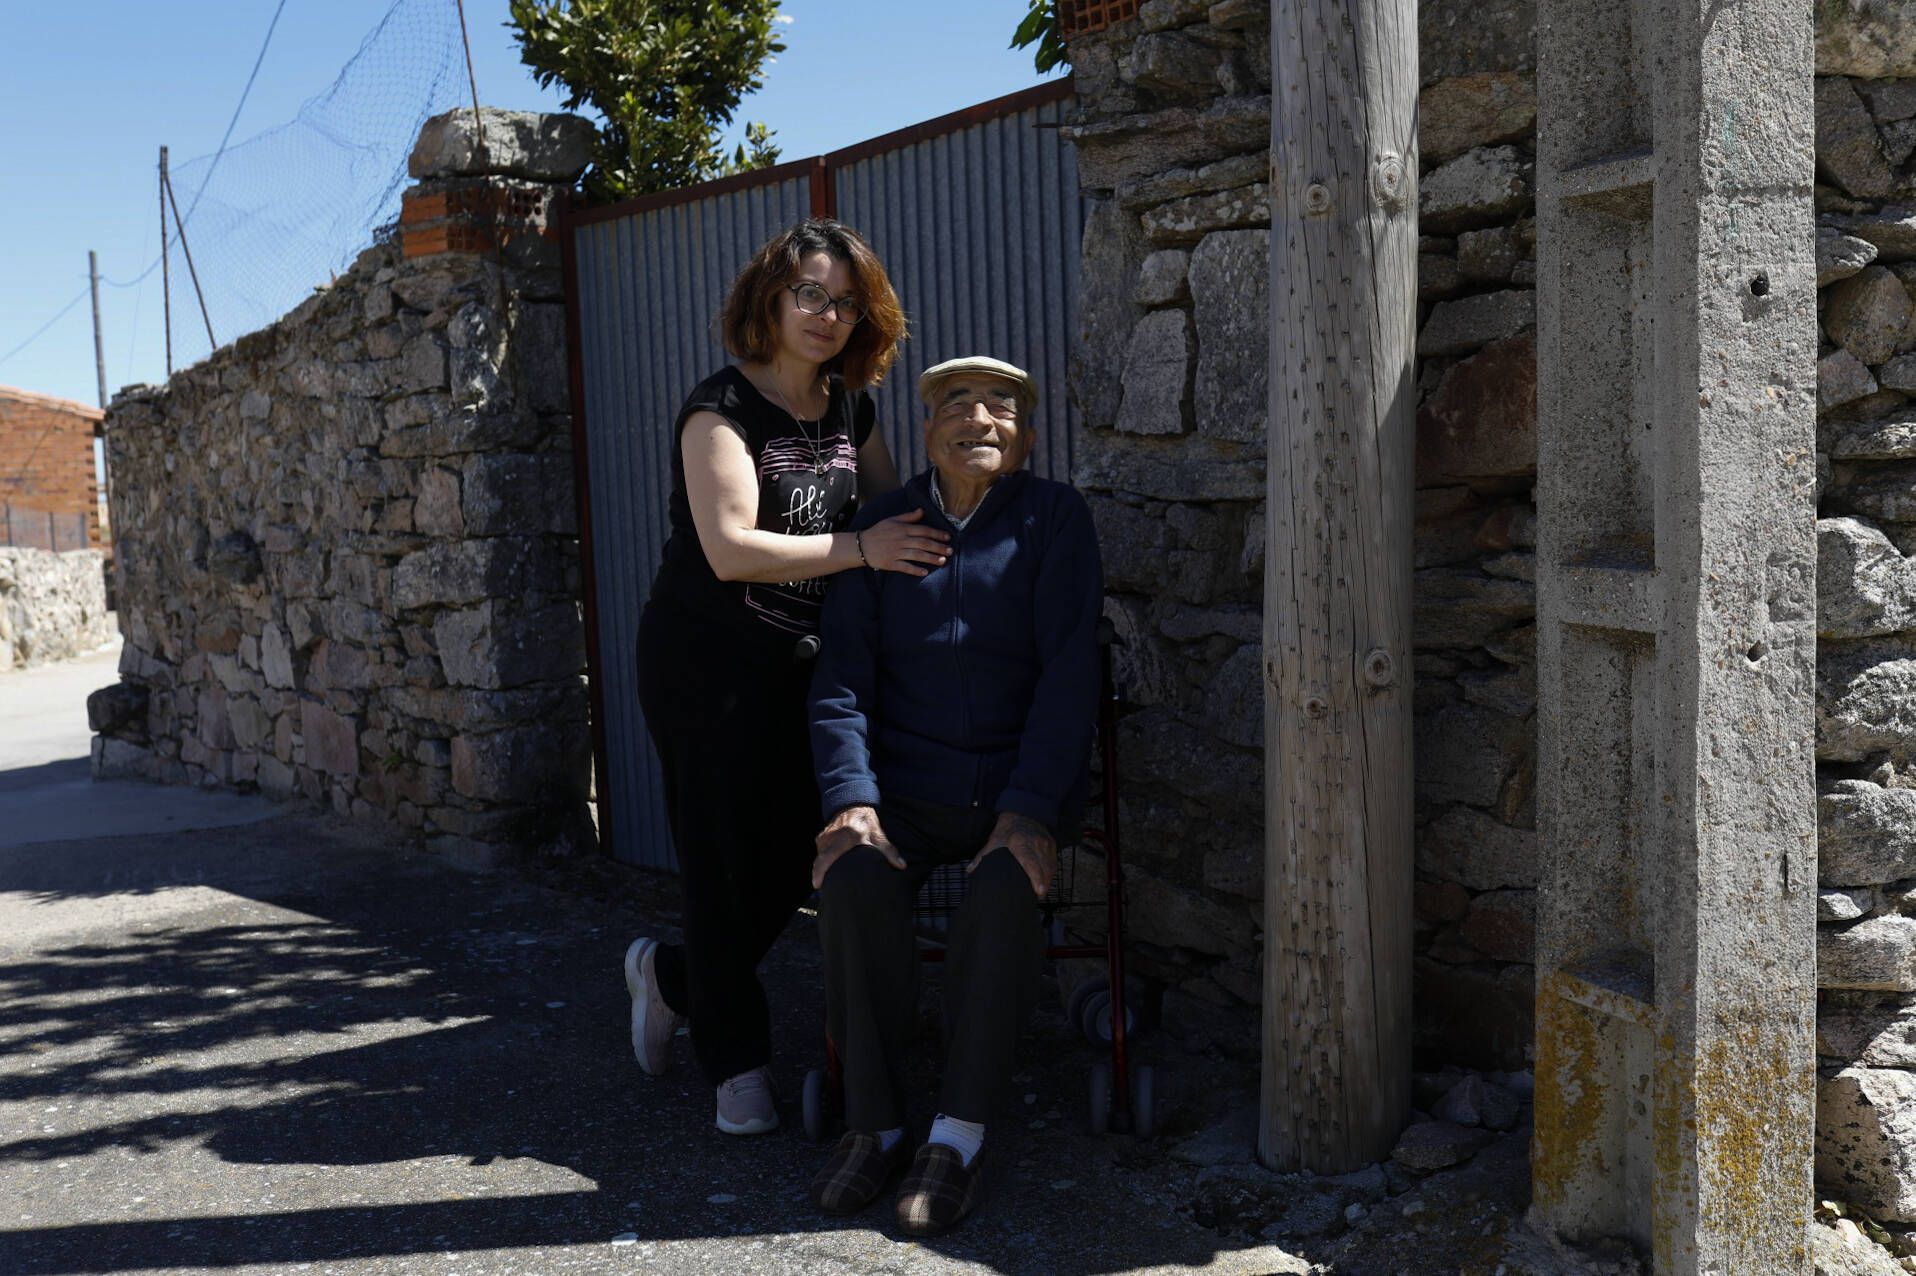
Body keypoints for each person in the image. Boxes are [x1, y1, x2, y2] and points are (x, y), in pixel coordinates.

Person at [622, 219, 951, 1137]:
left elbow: (897, 517)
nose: (829, 315)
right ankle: (735, 1063)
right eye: (812, 294)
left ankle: (676, 978)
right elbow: (730, 549)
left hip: (809, 666)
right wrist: (862, 547)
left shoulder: (852, 407)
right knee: (723, 859)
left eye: (846, 301)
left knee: (803, 856)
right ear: (770, 298)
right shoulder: (718, 410)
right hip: (706, 665)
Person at [804, 356, 1104, 1234]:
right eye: (958, 405)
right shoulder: (880, 527)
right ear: (927, 432)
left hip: (1015, 788)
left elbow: (1070, 676)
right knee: (852, 880)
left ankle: (959, 1134)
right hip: (905, 789)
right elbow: (840, 682)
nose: (981, 417)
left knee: (1003, 890)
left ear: (1027, 438)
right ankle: (877, 1119)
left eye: (1003, 407)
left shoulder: (1055, 521)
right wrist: (851, 803)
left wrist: (1030, 810)